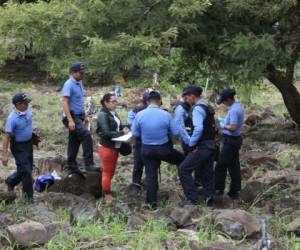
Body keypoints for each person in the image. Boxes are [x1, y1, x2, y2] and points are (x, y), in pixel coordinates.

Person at [132, 91, 185, 209]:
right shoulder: (165, 115)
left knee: (151, 175)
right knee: (182, 160)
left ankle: (151, 203)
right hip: (163, 149)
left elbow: (135, 133)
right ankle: (188, 190)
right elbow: (176, 132)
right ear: (160, 101)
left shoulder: (139, 115)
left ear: (147, 102)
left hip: (146, 149)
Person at [178, 85, 216, 206]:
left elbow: (198, 128)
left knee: (183, 169)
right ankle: (209, 198)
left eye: (187, 96)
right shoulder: (207, 107)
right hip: (211, 144)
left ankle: (192, 198)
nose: (186, 99)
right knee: (207, 171)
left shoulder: (197, 109)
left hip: (202, 145)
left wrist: (191, 144)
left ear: (193, 96)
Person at [61, 62, 99, 175]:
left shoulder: (79, 82)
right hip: (71, 116)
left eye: (83, 73)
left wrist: (85, 115)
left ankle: (72, 166)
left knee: (74, 141)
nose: (83, 75)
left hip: (79, 115)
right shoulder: (68, 84)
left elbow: (79, 100)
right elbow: (64, 102)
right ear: (73, 72)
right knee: (86, 135)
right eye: (80, 73)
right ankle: (89, 164)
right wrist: (70, 120)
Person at [96, 93, 130, 205]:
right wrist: (121, 132)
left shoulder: (113, 113)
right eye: (113, 101)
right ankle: (107, 194)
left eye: (116, 101)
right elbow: (106, 133)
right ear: (106, 102)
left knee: (111, 171)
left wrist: (124, 127)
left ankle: (105, 189)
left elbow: (117, 126)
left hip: (115, 146)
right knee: (107, 171)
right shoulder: (102, 115)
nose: (115, 103)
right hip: (107, 147)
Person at [1, 93, 34, 200]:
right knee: (27, 172)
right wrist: (4, 155)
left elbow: (27, 126)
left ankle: (10, 181)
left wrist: (33, 138)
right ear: (18, 104)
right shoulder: (12, 118)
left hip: (29, 144)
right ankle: (28, 198)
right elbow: (6, 137)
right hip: (18, 147)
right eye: (25, 103)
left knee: (26, 168)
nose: (27, 105)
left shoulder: (28, 110)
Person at [215, 88, 244, 199]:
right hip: (235, 139)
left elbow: (233, 127)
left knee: (221, 165)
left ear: (228, 99)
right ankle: (235, 190)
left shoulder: (233, 110)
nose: (223, 103)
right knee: (234, 165)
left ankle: (218, 189)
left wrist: (222, 125)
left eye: (223, 101)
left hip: (230, 140)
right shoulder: (238, 107)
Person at [174, 97, 202, 187]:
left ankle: (197, 180)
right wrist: (189, 142)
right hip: (188, 139)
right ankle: (187, 180)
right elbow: (180, 127)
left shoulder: (195, 106)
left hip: (195, 138)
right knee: (188, 161)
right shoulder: (180, 109)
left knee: (196, 159)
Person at [127, 91, 149, 190]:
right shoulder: (135, 111)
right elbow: (132, 125)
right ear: (145, 101)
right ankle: (136, 183)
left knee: (148, 163)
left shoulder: (154, 110)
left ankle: (149, 181)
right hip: (140, 140)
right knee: (138, 162)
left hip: (148, 140)